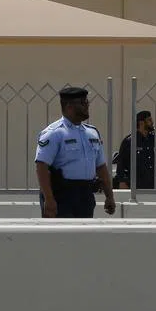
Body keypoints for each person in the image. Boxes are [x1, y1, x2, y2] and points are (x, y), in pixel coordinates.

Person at [35, 87, 115, 218]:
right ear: (69, 106)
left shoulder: (92, 133)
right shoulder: (54, 133)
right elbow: (41, 167)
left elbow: (101, 167)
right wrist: (49, 199)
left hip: (85, 195)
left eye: (87, 102)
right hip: (61, 195)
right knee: (62, 237)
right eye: (82, 103)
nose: (87, 106)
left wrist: (109, 196)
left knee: (84, 236)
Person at [114, 110, 156, 190]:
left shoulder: (155, 140)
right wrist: (122, 181)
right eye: (149, 120)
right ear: (141, 123)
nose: (152, 122)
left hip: (153, 185)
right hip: (136, 186)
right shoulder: (129, 141)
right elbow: (121, 165)